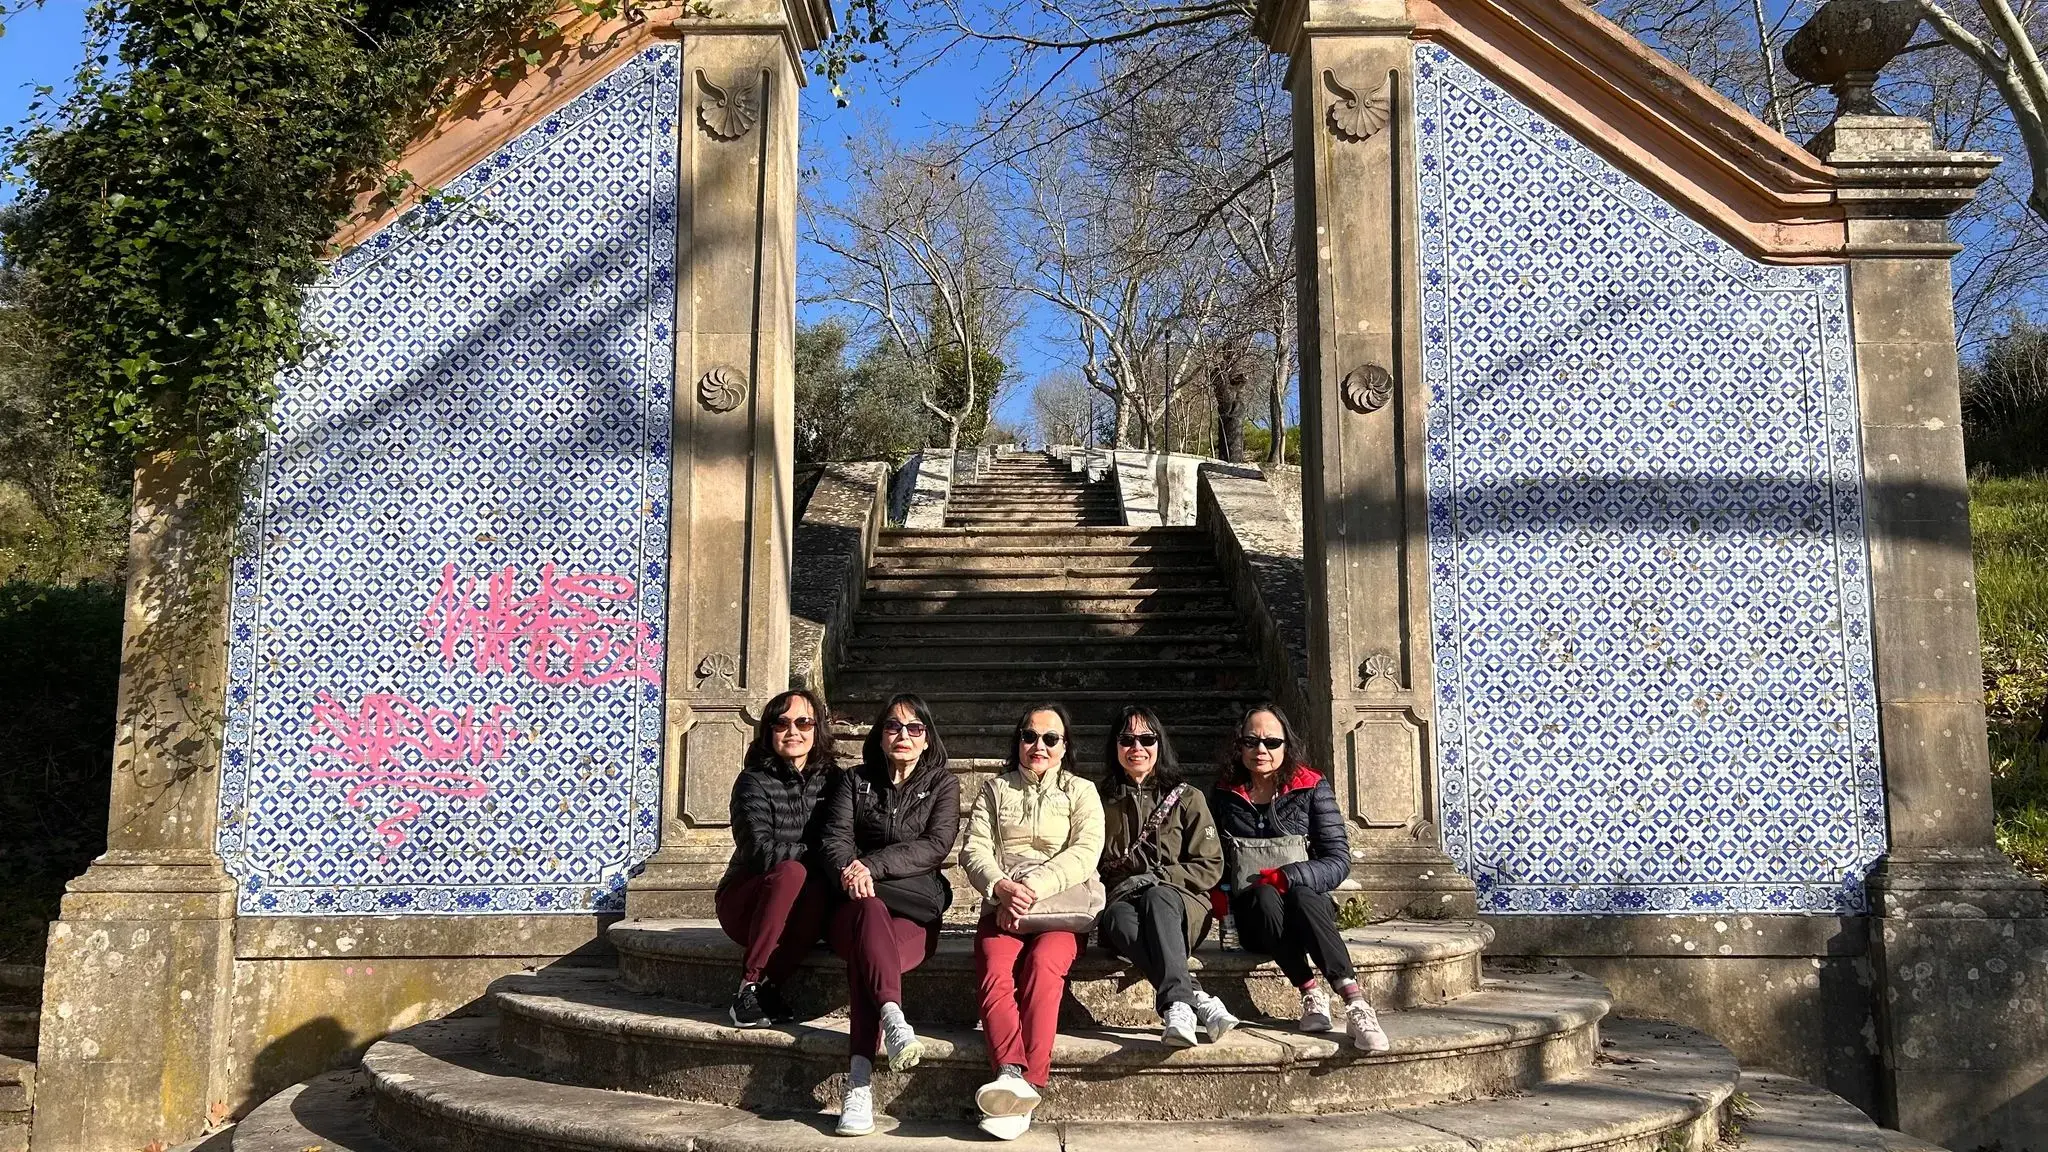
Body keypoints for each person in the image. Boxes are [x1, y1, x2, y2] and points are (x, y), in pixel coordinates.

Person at [960, 702, 1104, 1141]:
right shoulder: (994, 789)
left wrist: (1030, 888)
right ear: (1018, 741)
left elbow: (1085, 851)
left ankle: (1029, 1083)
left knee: (1045, 966)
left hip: (1059, 904)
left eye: (1050, 738)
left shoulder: (1081, 791)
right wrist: (1002, 887)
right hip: (1005, 902)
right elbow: (974, 849)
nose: (1038, 745)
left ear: (1065, 746)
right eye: (1029, 736)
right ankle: (1008, 1070)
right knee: (993, 965)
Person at [1210, 704, 1391, 1053]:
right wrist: (1219, 893)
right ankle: (1309, 991)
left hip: (1305, 911)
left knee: (1304, 895)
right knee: (1263, 897)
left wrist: (1289, 875)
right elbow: (1213, 856)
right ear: (1240, 745)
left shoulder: (1311, 786)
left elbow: (1338, 860)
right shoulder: (1223, 793)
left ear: (1287, 745)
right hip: (1254, 919)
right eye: (1251, 741)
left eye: (1271, 742)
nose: (1261, 750)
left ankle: (1354, 1002)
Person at [820, 693, 960, 1137]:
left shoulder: (942, 784)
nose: (903, 735)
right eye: (894, 727)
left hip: (915, 911)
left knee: (868, 961)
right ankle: (893, 1021)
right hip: (853, 906)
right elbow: (834, 838)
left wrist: (872, 866)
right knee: (869, 916)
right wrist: (849, 871)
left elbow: (936, 846)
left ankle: (858, 1081)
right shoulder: (853, 781)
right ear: (880, 735)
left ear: (927, 739)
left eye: (914, 728)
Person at [1095, 705, 1239, 1047]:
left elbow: (1210, 864)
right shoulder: (1100, 800)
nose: (1137, 748)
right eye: (1127, 739)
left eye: (1147, 739)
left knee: (1158, 897)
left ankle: (1176, 1004)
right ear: (1115, 746)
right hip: (1125, 903)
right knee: (1115, 920)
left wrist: (1159, 877)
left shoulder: (1188, 798)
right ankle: (1193, 999)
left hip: (1183, 904)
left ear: (1160, 744)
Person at [715, 687, 835, 1029]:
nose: (793, 731)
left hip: (802, 905)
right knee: (794, 873)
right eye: (781, 723)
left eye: (804, 722)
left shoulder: (834, 781)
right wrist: (820, 858)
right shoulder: (753, 782)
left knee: (815, 887)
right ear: (769, 730)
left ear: (817, 729)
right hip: (746, 902)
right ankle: (747, 987)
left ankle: (769, 988)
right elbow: (758, 851)